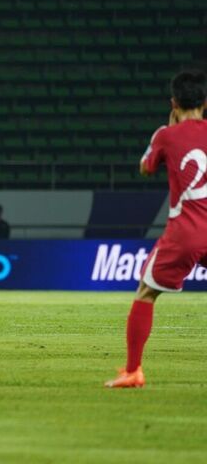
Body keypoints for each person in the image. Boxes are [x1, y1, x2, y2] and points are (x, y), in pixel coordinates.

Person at [105, 70, 207, 388]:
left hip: (186, 231)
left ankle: (133, 371)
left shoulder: (166, 134)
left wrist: (171, 130)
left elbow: (146, 168)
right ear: (205, 103)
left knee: (146, 293)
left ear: (173, 103)